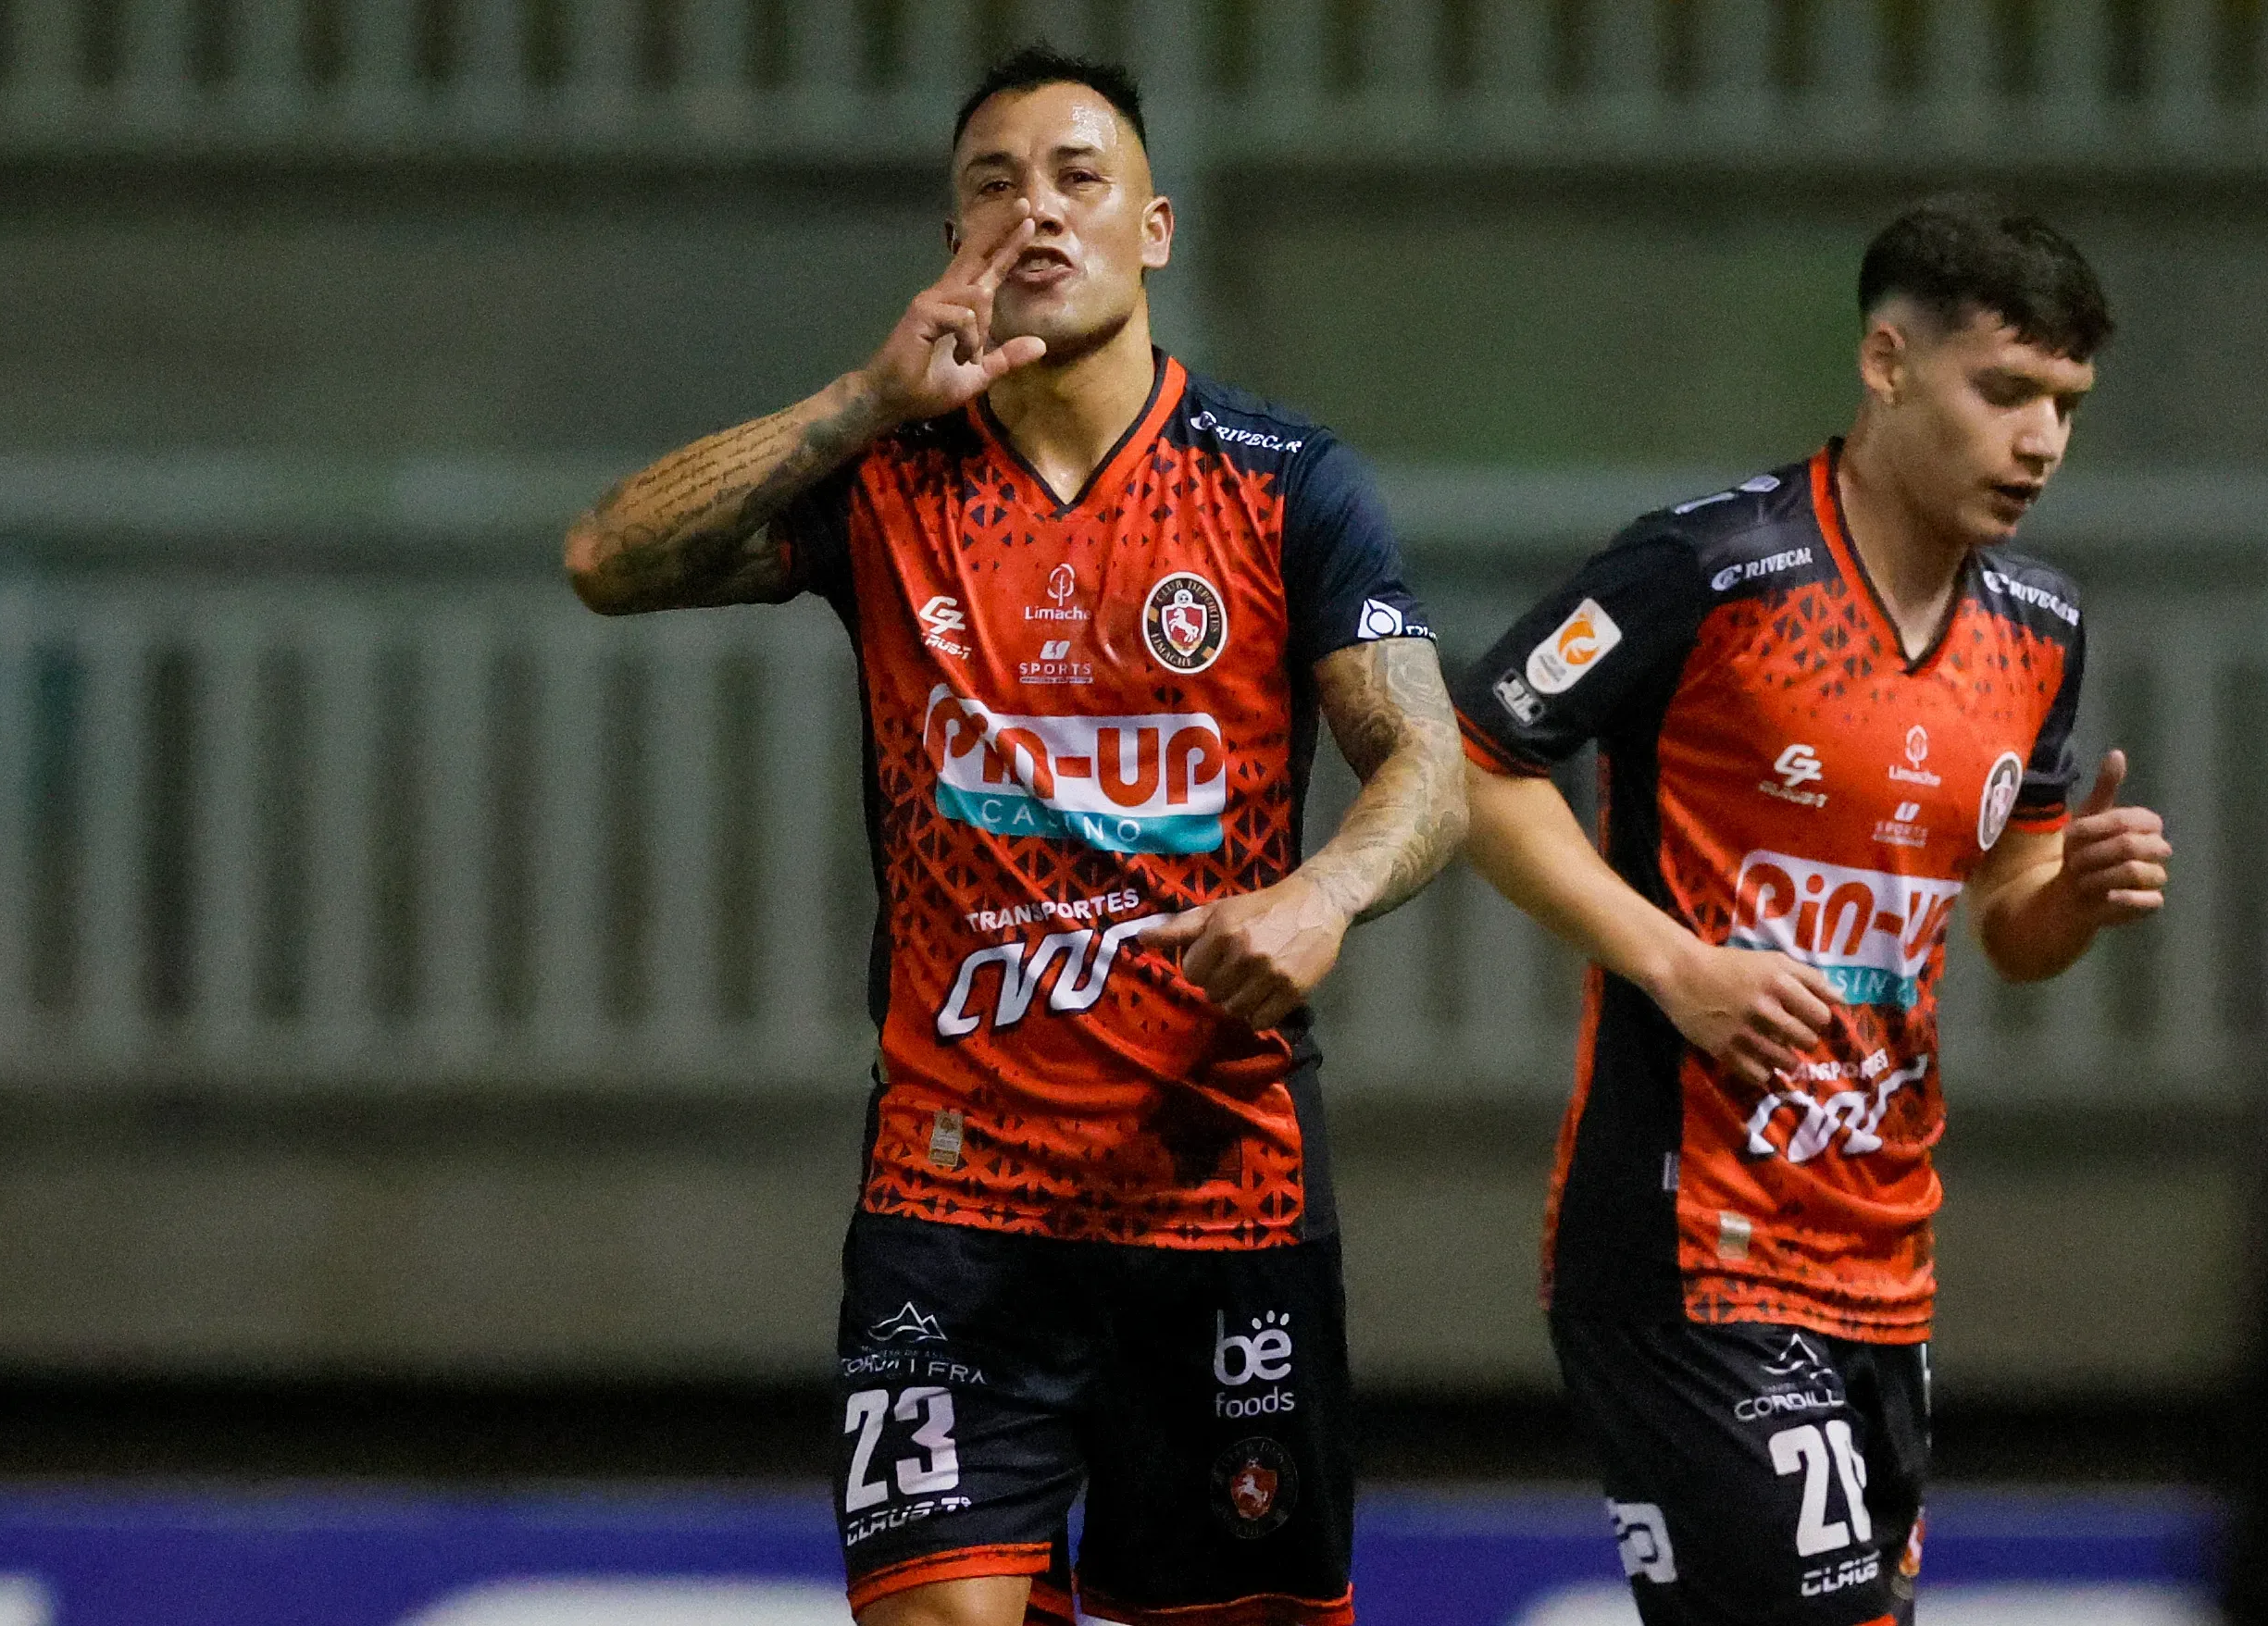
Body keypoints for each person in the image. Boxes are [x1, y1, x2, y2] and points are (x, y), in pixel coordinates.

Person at [564, 45, 1464, 1626]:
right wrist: (861, 399)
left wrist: (1326, 892)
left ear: (1156, 230)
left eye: (1076, 178)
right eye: (993, 186)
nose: (1035, 212)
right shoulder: (886, 483)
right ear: (952, 246)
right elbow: (609, 561)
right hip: (952, 1210)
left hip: (1219, 1193)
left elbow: (1429, 766)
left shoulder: (1283, 486)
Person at [1452, 197, 2171, 1626]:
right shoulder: (1714, 569)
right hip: (1685, 1246)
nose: (2040, 442)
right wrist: (1675, 966)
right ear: (1888, 365)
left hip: (1878, 1251)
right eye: (2006, 392)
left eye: (2067, 405)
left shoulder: (2038, 624)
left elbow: (2010, 916)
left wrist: (2072, 897)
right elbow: (1471, 767)